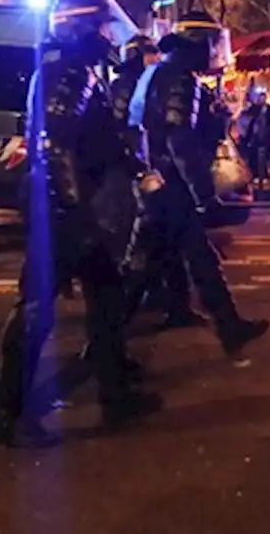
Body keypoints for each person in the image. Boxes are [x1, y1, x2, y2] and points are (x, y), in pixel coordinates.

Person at [0, 0, 159, 447]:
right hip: (67, 210)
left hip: (72, 207)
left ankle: (115, 394)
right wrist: (74, 213)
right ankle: (4, 411)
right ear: (83, 30)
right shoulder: (71, 75)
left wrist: (138, 168)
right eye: (103, 28)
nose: (109, 37)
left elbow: (97, 139)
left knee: (106, 301)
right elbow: (55, 147)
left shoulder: (75, 72)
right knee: (38, 310)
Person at [131, 11, 270, 357]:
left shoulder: (157, 72)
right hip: (173, 188)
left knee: (194, 258)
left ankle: (229, 326)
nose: (212, 53)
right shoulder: (180, 79)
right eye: (211, 44)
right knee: (143, 269)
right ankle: (104, 346)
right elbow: (180, 141)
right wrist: (203, 195)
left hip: (158, 184)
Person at [113, 35, 202, 329]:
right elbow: (127, 129)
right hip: (148, 173)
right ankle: (109, 336)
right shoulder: (130, 85)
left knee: (170, 248)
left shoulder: (149, 79)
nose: (154, 58)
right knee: (144, 250)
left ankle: (180, 307)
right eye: (148, 54)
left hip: (152, 171)